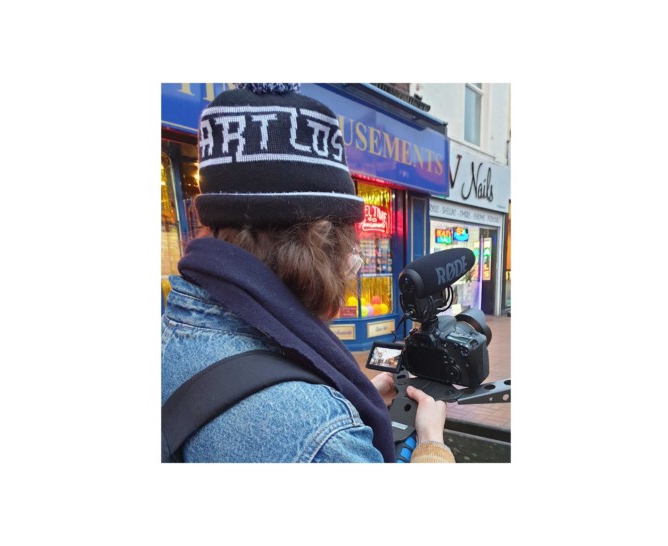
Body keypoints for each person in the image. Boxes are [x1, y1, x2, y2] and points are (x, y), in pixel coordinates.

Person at [161, 83, 455, 463]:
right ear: (319, 244)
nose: (349, 267)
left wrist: (352, 392)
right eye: (346, 245)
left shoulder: (171, 329)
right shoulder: (323, 434)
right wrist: (432, 440)